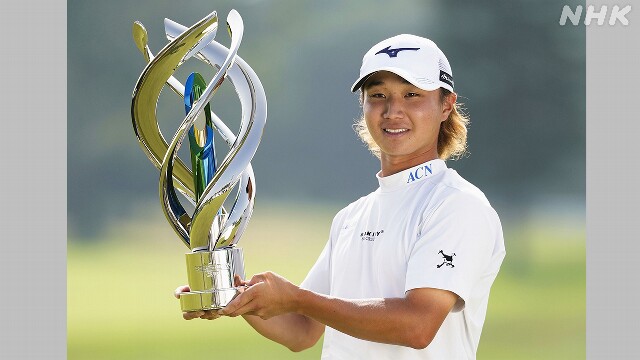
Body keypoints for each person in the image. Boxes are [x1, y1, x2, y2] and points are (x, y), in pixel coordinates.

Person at [175, 34, 506, 359]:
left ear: (446, 105)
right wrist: (232, 295)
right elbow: (301, 330)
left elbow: (417, 326)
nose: (393, 111)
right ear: (363, 105)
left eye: (412, 95)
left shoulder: (458, 205)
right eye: (378, 95)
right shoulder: (351, 218)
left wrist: (297, 298)